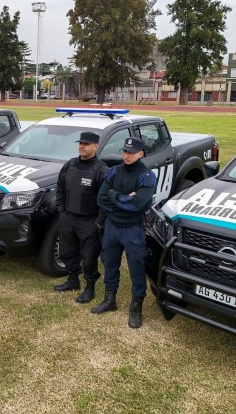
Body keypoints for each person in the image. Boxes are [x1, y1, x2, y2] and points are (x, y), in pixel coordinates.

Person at [92, 136, 157, 329]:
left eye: (131, 152)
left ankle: (136, 306)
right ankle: (109, 299)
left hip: (132, 229)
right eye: (124, 151)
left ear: (140, 153)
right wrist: (119, 198)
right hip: (112, 226)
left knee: (136, 267)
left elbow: (137, 204)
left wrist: (113, 196)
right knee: (109, 262)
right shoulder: (114, 172)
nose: (126, 155)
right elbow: (101, 199)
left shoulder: (146, 176)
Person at [54, 131, 108, 303]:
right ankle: (73, 280)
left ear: (95, 146)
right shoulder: (70, 165)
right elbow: (60, 188)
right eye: (80, 143)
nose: (82, 146)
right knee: (67, 251)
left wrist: (99, 224)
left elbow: (106, 200)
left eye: (86, 144)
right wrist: (61, 211)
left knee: (89, 256)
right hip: (68, 217)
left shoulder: (101, 170)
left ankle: (89, 287)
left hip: (89, 221)